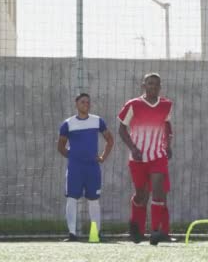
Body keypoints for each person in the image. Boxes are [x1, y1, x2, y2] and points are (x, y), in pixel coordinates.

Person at [118, 73, 174, 245]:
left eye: (156, 84)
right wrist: (133, 148)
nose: (153, 87)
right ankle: (136, 229)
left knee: (159, 193)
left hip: (157, 156)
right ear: (144, 85)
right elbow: (121, 130)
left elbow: (167, 125)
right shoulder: (133, 105)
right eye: (150, 83)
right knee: (141, 195)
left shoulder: (166, 105)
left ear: (160, 86)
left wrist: (168, 145)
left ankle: (157, 232)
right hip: (138, 158)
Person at [57, 93, 114, 242]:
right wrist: (73, 156)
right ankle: (72, 234)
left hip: (92, 168)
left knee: (93, 199)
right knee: (71, 198)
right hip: (75, 168)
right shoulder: (67, 124)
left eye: (88, 102)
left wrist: (102, 157)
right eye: (82, 102)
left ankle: (95, 233)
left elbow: (110, 140)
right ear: (76, 104)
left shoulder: (97, 121)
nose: (86, 104)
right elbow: (61, 146)